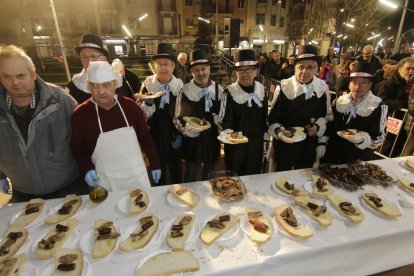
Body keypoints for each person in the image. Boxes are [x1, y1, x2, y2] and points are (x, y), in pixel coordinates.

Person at [0, 44, 88, 202]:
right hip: (23, 194)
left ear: (33, 74)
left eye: (21, 76)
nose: (15, 83)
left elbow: (84, 138)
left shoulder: (61, 101)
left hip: (69, 188)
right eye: (7, 77)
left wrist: (89, 169)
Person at [71, 61, 161, 191]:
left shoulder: (131, 107)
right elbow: (78, 148)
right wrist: (87, 169)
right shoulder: (80, 115)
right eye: (94, 86)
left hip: (136, 175)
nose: (101, 91)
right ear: (88, 86)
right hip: (105, 180)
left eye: (106, 85)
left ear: (115, 83)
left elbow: (145, 137)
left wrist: (155, 162)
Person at [268, 45, 330, 171]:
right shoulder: (284, 87)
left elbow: (326, 116)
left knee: (302, 177)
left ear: (316, 69)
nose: (304, 71)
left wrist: (317, 127)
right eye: (301, 67)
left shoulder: (323, 88)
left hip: (308, 146)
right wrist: (279, 132)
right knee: (281, 176)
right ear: (295, 68)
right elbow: (273, 117)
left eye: (310, 67)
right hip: (284, 144)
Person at [136, 43, 183, 185]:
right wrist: (148, 104)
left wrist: (180, 134)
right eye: (159, 64)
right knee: (158, 169)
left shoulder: (179, 84)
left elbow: (183, 112)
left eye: (166, 64)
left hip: (174, 134)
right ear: (155, 66)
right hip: (155, 134)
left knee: (176, 169)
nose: (163, 68)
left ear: (173, 66)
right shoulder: (148, 83)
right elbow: (141, 115)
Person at [323, 62, 388, 164]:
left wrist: (362, 140)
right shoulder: (339, 101)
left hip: (357, 158)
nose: (357, 87)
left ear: (370, 85)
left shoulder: (378, 106)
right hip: (333, 154)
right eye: (354, 82)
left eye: (363, 83)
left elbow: (380, 138)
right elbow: (330, 125)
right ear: (349, 84)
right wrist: (322, 143)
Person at [174, 49, 223, 182]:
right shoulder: (185, 91)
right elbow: (177, 118)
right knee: (190, 172)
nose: (201, 73)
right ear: (192, 72)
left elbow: (223, 115)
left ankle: (209, 199)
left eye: (204, 69)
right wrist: (188, 130)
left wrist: (220, 125)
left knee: (210, 173)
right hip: (192, 140)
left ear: (209, 69)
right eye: (196, 70)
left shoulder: (219, 90)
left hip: (212, 140)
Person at [218, 49, 268, 176]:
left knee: (254, 177)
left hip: (256, 146)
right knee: (235, 180)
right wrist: (231, 135)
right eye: (240, 70)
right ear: (236, 73)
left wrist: (265, 142)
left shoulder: (262, 91)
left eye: (249, 69)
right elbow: (222, 121)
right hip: (236, 148)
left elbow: (264, 118)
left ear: (256, 71)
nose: (244, 73)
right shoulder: (228, 93)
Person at [66, 33, 141, 103]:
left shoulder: (122, 79)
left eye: (93, 56)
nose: (89, 61)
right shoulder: (74, 85)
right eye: (84, 57)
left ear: (104, 59)